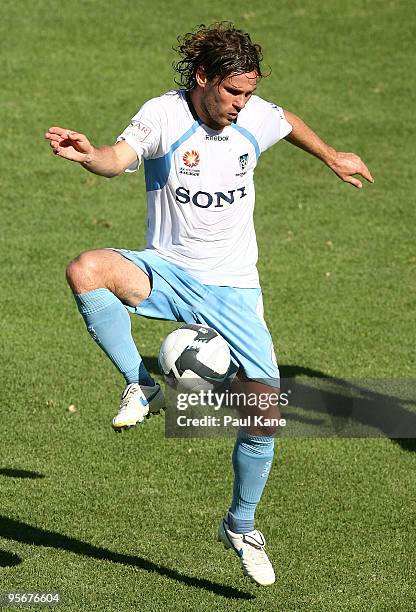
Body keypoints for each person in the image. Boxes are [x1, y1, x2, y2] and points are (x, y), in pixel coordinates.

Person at [45, 22, 373, 587]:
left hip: (234, 288)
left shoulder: (250, 117)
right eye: (233, 93)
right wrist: (87, 154)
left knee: (263, 413)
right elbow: (117, 157)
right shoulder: (164, 116)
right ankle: (141, 382)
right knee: (86, 270)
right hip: (169, 272)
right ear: (202, 78)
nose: (243, 106)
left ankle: (240, 525)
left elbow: (286, 120)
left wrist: (332, 155)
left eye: (248, 93)